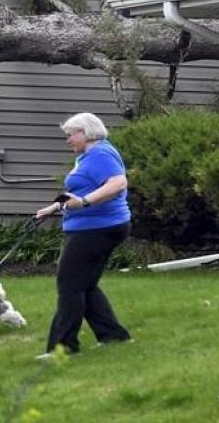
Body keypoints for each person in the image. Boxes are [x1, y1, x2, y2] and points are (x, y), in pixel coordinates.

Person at [35, 112, 132, 357]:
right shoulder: (87, 156)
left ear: (85, 133)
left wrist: (85, 203)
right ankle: (113, 336)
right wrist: (53, 208)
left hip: (97, 228)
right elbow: (76, 192)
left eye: (70, 135)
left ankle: (63, 347)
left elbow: (118, 183)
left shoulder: (100, 154)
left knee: (68, 285)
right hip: (93, 227)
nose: (68, 140)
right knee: (85, 285)